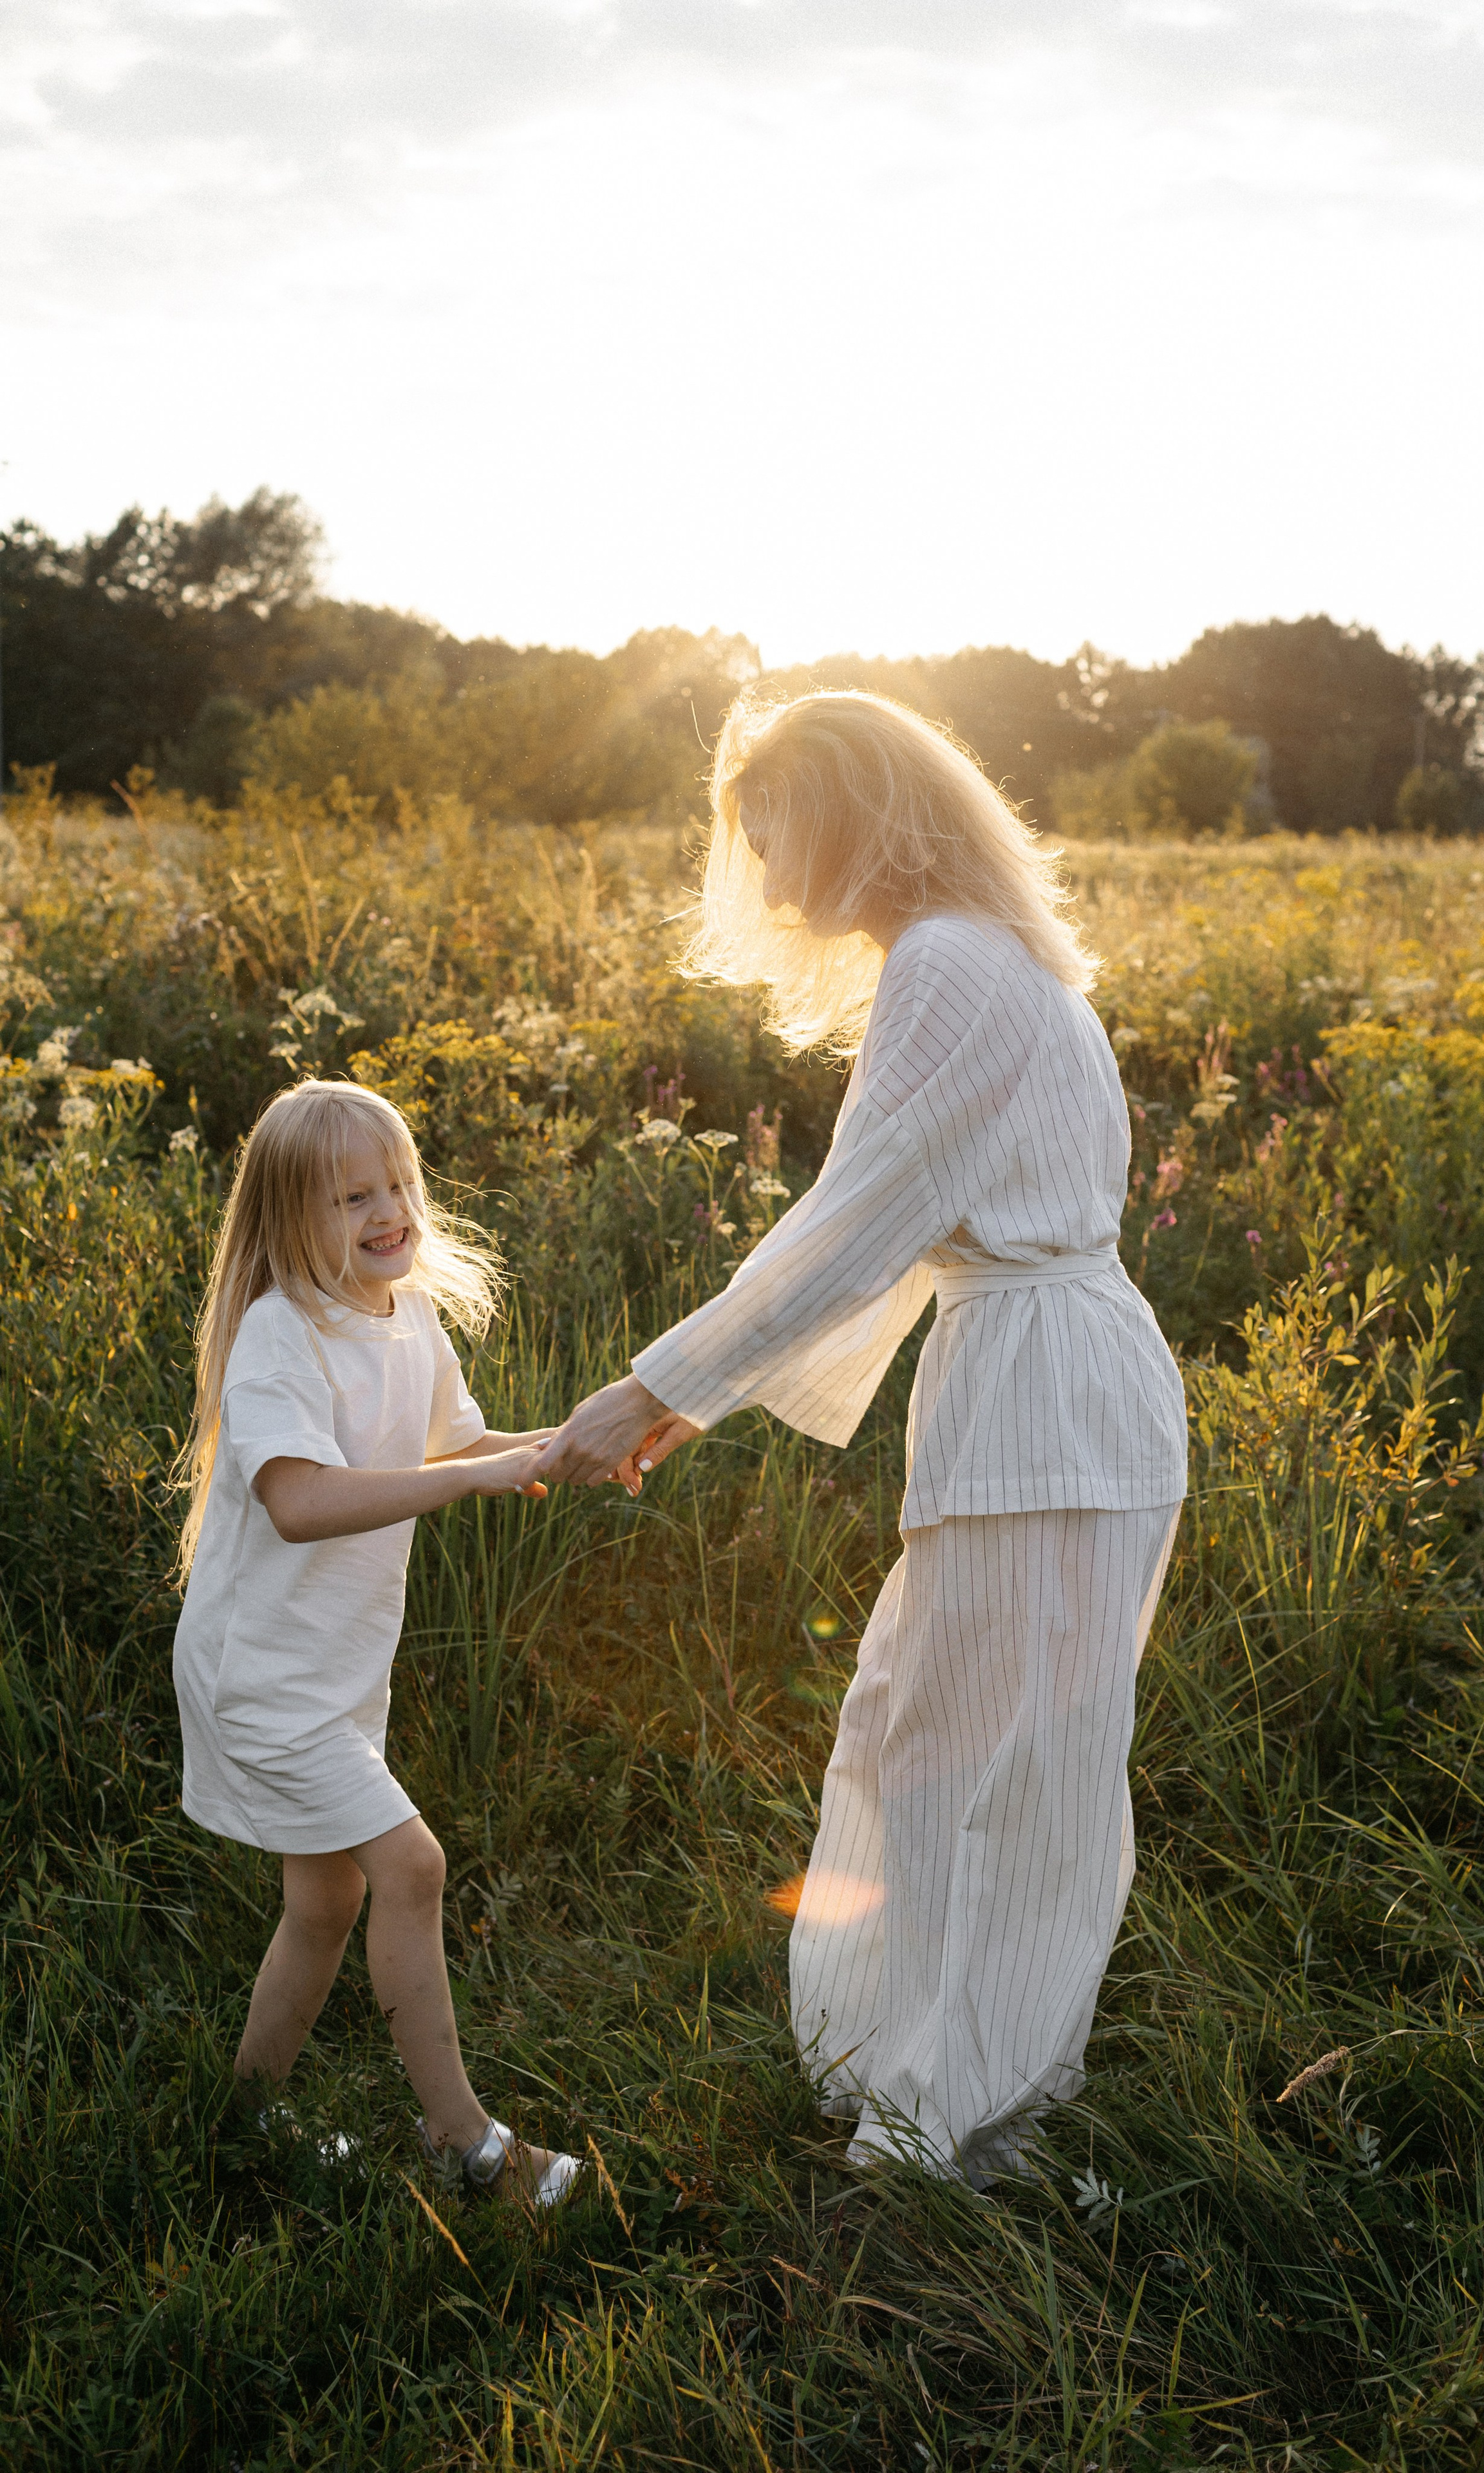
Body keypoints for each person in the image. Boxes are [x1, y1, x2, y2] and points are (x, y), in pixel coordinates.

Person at [538, 690, 1188, 2189]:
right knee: (970, 1750)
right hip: (1064, 1386)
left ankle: (932, 2126)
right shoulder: (996, 958)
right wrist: (686, 1406)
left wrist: (652, 1395)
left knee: (966, 1764)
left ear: (852, 819)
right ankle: (949, 2095)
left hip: (1041, 1399)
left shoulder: (950, 964)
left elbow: (850, 1227)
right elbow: (890, 1235)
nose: (763, 880)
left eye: (775, 837)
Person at [171, 1079, 581, 2207]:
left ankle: (242, 2127)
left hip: (335, 1672)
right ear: (288, 1222)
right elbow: (299, 1499)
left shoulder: (408, 1320)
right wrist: (473, 1478)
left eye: (397, 1183)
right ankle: (472, 2151)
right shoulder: (280, 1334)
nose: (387, 1211)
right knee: (411, 1866)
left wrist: (563, 1443)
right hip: (262, 1676)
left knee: (327, 1901)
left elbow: (458, 1443)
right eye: (351, 1196)